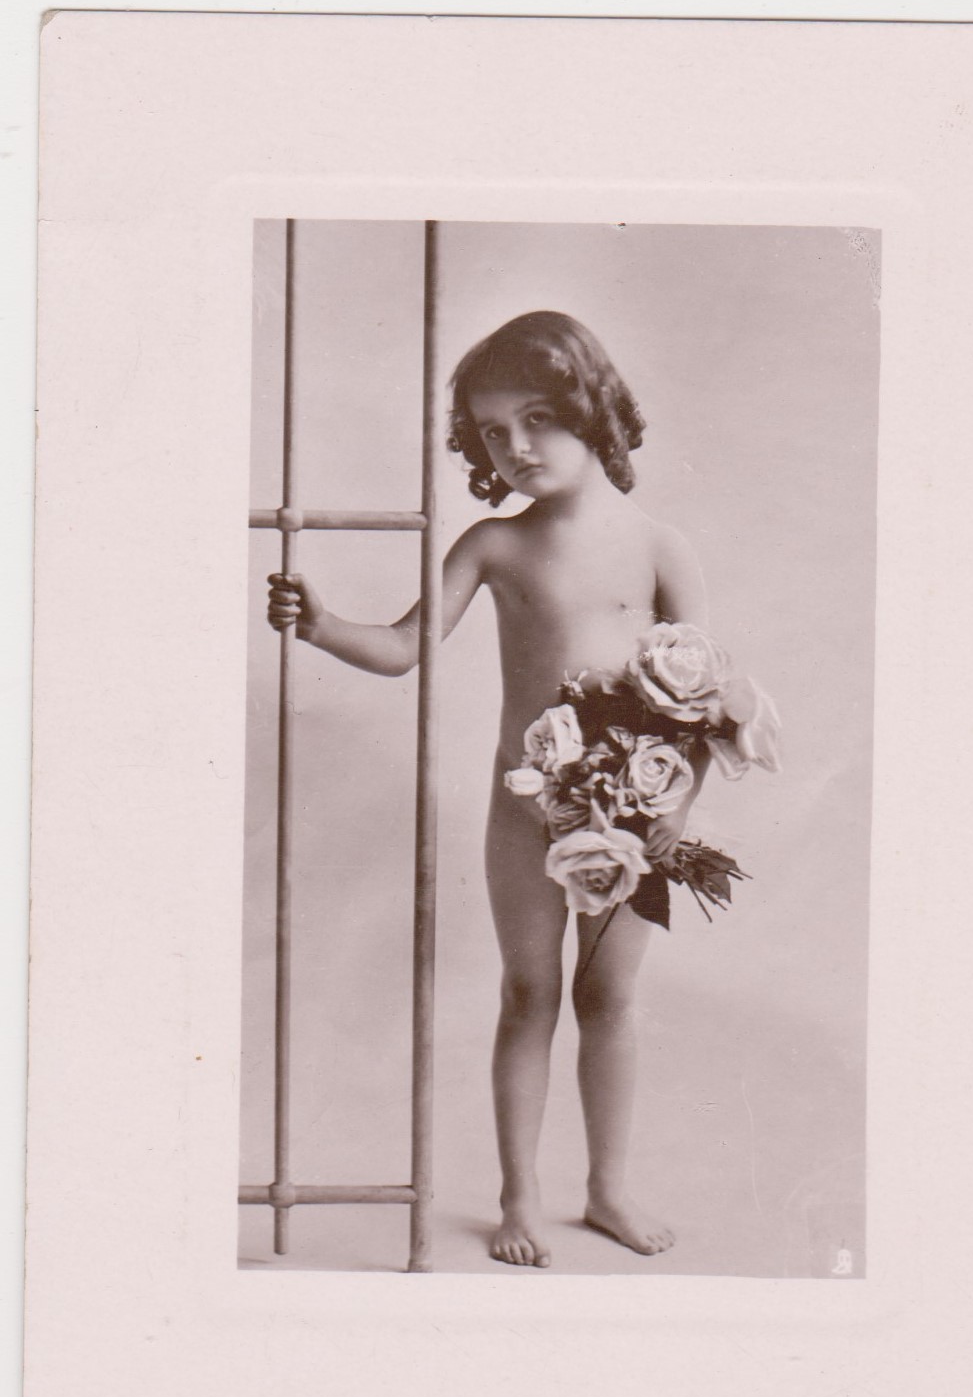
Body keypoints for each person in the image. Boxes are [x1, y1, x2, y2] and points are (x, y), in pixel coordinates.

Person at [268, 311, 713, 1269]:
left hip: (635, 816)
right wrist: (319, 625)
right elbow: (404, 648)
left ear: (593, 411)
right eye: (492, 431)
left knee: (610, 998)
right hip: (524, 812)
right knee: (527, 991)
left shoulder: (658, 547)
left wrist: (672, 814)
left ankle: (607, 1188)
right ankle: (519, 1193)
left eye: (537, 419)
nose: (515, 447)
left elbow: (703, 698)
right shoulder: (493, 546)